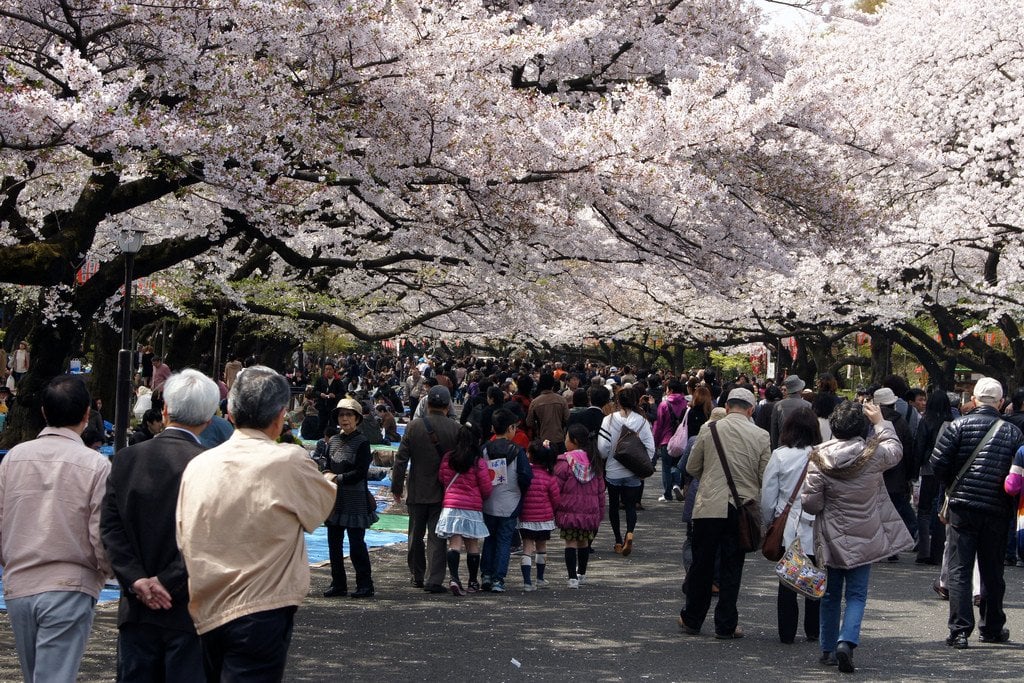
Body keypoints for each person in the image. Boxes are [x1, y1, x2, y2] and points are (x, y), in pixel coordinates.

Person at [176, 366, 337, 680]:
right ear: (280, 416)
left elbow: (182, 533)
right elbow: (320, 509)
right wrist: (329, 479)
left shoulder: (199, 464)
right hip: (261, 607)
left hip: (205, 606)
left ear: (230, 413)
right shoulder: (288, 460)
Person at [100, 369, 219, 681]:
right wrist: (167, 580)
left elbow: (111, 527)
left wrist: (136, 579)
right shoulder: (211, 465)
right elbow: (210, 538)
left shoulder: (126, 458)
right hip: (189, 607)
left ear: (165, 409)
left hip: (137, 607)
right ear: (209, 418)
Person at [0, 374, 112, 682]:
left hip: (19, 583)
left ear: (44, 412)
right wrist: (109, 572)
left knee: (36, 675)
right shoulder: (96, 464)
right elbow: (100, 533)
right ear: (87, 413)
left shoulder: (13, 459)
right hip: (70, 584)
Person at [802, 400, 915, 673]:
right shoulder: (873, 455)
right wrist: (880, 422)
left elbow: (811, 504)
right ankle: (846, 641)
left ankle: (828, 648)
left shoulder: (818, 458)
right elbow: (896, 449)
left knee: (830, 595)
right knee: (856, 595)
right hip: (866, 534)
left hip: (831, 537)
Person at [930, 377, 1022, 649]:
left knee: (960, 567)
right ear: (1001, 402)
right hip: (997, 508)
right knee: (992, 569)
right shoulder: (1012, 432)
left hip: (962, 505)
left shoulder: (958, 425)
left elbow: (938, 463)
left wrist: (952, 486)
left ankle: (959, 630)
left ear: (974, 399)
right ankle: (992, 627)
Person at [679, 387, 770, 640]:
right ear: (751, 410)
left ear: (727, 407)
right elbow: (764, 475)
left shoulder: (709, 429)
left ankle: (692, 618)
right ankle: (726, 624)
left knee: (702, 564)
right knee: (732, 566)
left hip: (709, 505)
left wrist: (711, 478)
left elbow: (692, 467)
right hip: (741, 508)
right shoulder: (761, 435)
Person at [760, 408, 823, 645]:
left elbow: (768, 496)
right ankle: (814, 630)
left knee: (788, 578)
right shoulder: (822, 455)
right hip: (817, 525)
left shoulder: (780, 455)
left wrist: (769, 522)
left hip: (789, 526)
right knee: (815, 574)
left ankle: (787, 632)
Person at [391, 385, 459, 593]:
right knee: (437, 537)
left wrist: (396, 487)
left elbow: (400, 460)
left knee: (415, 535)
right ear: (447, 405)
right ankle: (434, 579)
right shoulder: (455, 429)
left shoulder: (414, 426)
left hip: (417, 488)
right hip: (443, 490)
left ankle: (417, 574)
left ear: (427, 404)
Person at [321, 397, 379, 599]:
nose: (344, 419)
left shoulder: (362, 442)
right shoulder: (333, 441)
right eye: (341, 415)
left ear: (357, 419)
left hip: (355, 500)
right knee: (334, 544)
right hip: (335, 500)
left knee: (356, 545)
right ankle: (338, 584)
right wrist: (326, 474)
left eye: (349, 415)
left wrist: (336, 478)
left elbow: (361, 472)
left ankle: (365, 585)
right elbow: (326, 464)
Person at [480, 408, 534, 593]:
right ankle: (498, 579)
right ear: (511, 428)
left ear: (493, 428)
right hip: (511, 503)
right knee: (504, 541)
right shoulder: (518, 451)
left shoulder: (484, 449)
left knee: (489, 539)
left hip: (488, 502)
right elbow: (526, 477)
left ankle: (486, 575)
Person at [597, 386, 655, 556]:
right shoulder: (642, 421)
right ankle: (629, 533)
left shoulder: (608, 420)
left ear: (618, 401)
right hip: (632, 472)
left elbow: (602, 448)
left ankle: (617, 540)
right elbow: (650, 448)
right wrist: (640, 464)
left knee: (614, 507)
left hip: (613, 471)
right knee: (630, 506)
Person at [436, 424, 493, 595]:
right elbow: (486, 488)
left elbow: (442, 478)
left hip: (451, 506)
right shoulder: (478, 462)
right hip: (472, 508)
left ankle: (454, 578)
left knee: (454, 543)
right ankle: (473, 581)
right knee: (472, 544)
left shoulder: (448, 458)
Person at [556, 423, 606, 587]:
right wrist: (600, 512)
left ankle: (572, 578)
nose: (565, 441)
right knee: (583, 542)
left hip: (569, 511)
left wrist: (554, 507)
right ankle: (582, 574)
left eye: (567, 438)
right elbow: (600, 491)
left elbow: (556, 487)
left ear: (575, 441)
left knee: (570, 543)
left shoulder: (565, 462)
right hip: (589, 511)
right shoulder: (594, 461)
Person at [518, 440, 560, 591]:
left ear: (530, 455)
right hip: (544, 518)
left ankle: (527, 582)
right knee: (541, 547)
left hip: (526, 517)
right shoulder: (549, 476)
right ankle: (540, 578)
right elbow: (556, 499)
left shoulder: (525, 474)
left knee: (527, 547)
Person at [654, 379, 688, 502]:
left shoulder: (664, 404)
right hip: (681, 440)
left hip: (666, 440)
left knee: (666, 467)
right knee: (677, 465)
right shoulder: (686, 404)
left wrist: (655, 441)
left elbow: (659, 425)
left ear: (671, 390)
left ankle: (667, 494)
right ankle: (676, 485)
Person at [526, 373, 570, 450]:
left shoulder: (535, 402)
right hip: (559, 438)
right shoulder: (561, 400)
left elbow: (529, 422)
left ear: (540, 385)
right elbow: (567, 418)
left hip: (543, 439)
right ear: (552, 385)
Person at [770, 375, 811, 450]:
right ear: (799, 389)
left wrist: (775, 449)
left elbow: (774, 431)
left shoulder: (778, 405)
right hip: (803, 447)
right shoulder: (808, 405)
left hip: (782, 446)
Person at [313, 362, 343, 438]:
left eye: (330, 369)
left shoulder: (338, 381)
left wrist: (335, 396)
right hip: (322, 406)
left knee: (333, 425)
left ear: (333, 370)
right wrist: (320, 394)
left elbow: (343, 393)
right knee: (321, 424)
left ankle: (333, 440)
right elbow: (314, 391)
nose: (328, 371)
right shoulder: (320, 380)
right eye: (326, 369)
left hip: (333, 407)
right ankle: (320, 440)